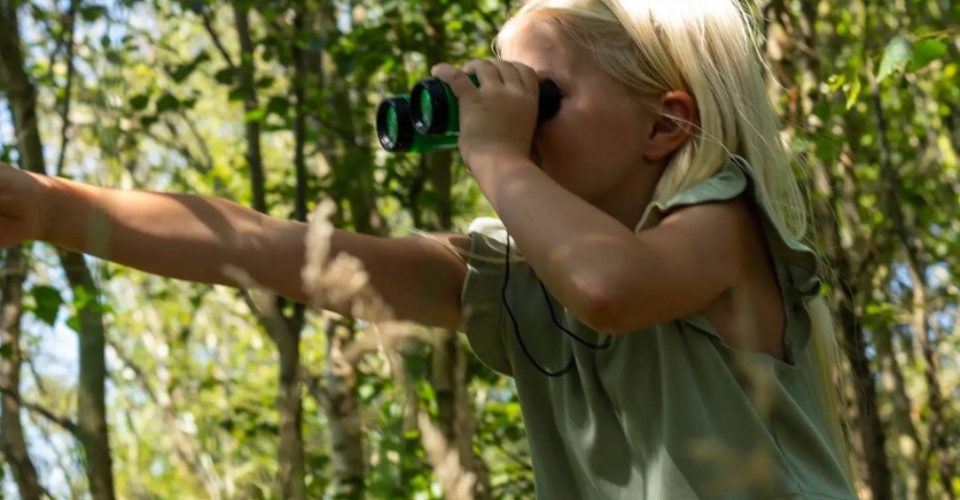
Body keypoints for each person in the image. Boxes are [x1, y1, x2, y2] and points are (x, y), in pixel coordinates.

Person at [0, 0, 856, 498]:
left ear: (667, 124)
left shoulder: (726, 224)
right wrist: (49, 207)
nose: (507, 120)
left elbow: (606, 285)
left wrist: (492, 153)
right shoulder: (525, 278)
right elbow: (285, 251)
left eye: (539, 98)